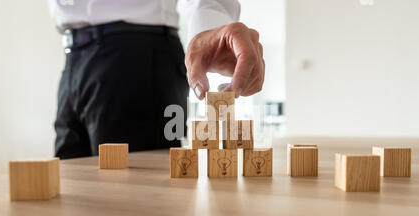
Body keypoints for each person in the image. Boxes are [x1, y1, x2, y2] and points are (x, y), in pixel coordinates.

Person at [47, 0, 265, 159]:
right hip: (71, 57)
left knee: (137, 203)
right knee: (69, 186)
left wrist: (211, 23)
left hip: (134, 56)